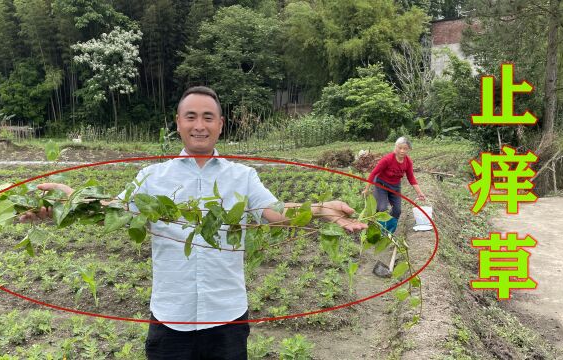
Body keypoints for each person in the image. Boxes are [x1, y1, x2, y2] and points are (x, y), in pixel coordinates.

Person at [23, 86, 367, 360]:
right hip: (170, 317)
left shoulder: (242, 176)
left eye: (207, 117)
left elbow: (273, 212)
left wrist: (322, 209)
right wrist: (70, 202)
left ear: (220, 124)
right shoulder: (152, 176)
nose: (199, 125)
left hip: (227, 316)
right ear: (178, 122)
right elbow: (116, 210)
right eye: (191, 117)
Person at [361, 137, 426, 234]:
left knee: (397, 211)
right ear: (395, 148)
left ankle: (388, 231)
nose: (402, 151)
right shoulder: (387, 159)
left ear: (408, 149)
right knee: (382, 208)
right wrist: (366, 189)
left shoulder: (408, 162)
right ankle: (378, 230)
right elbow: (373, 173)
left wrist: (420, 193)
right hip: (381, 184)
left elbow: (411, 178)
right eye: (400, 148)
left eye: (405, 148)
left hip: (395, 186)